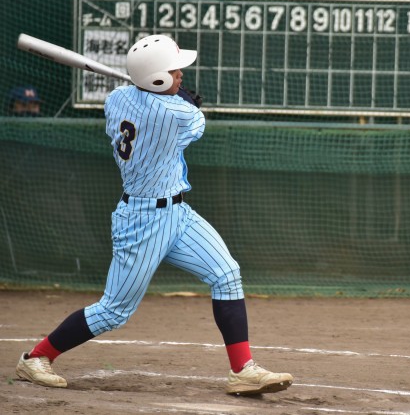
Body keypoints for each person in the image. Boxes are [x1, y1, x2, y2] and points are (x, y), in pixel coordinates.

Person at [15, 34, 293, 396]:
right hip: (143, 221)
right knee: (114, 311)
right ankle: (36, 358)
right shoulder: (173, 113)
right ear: (156, 79)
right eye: (174, 72)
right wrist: (181, 99)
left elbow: (143, 96)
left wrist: (167, 91)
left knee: (226, 275)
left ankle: (243, 370)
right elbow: (196, 120)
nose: (181, 76)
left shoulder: (117, 98)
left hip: (178, 212)